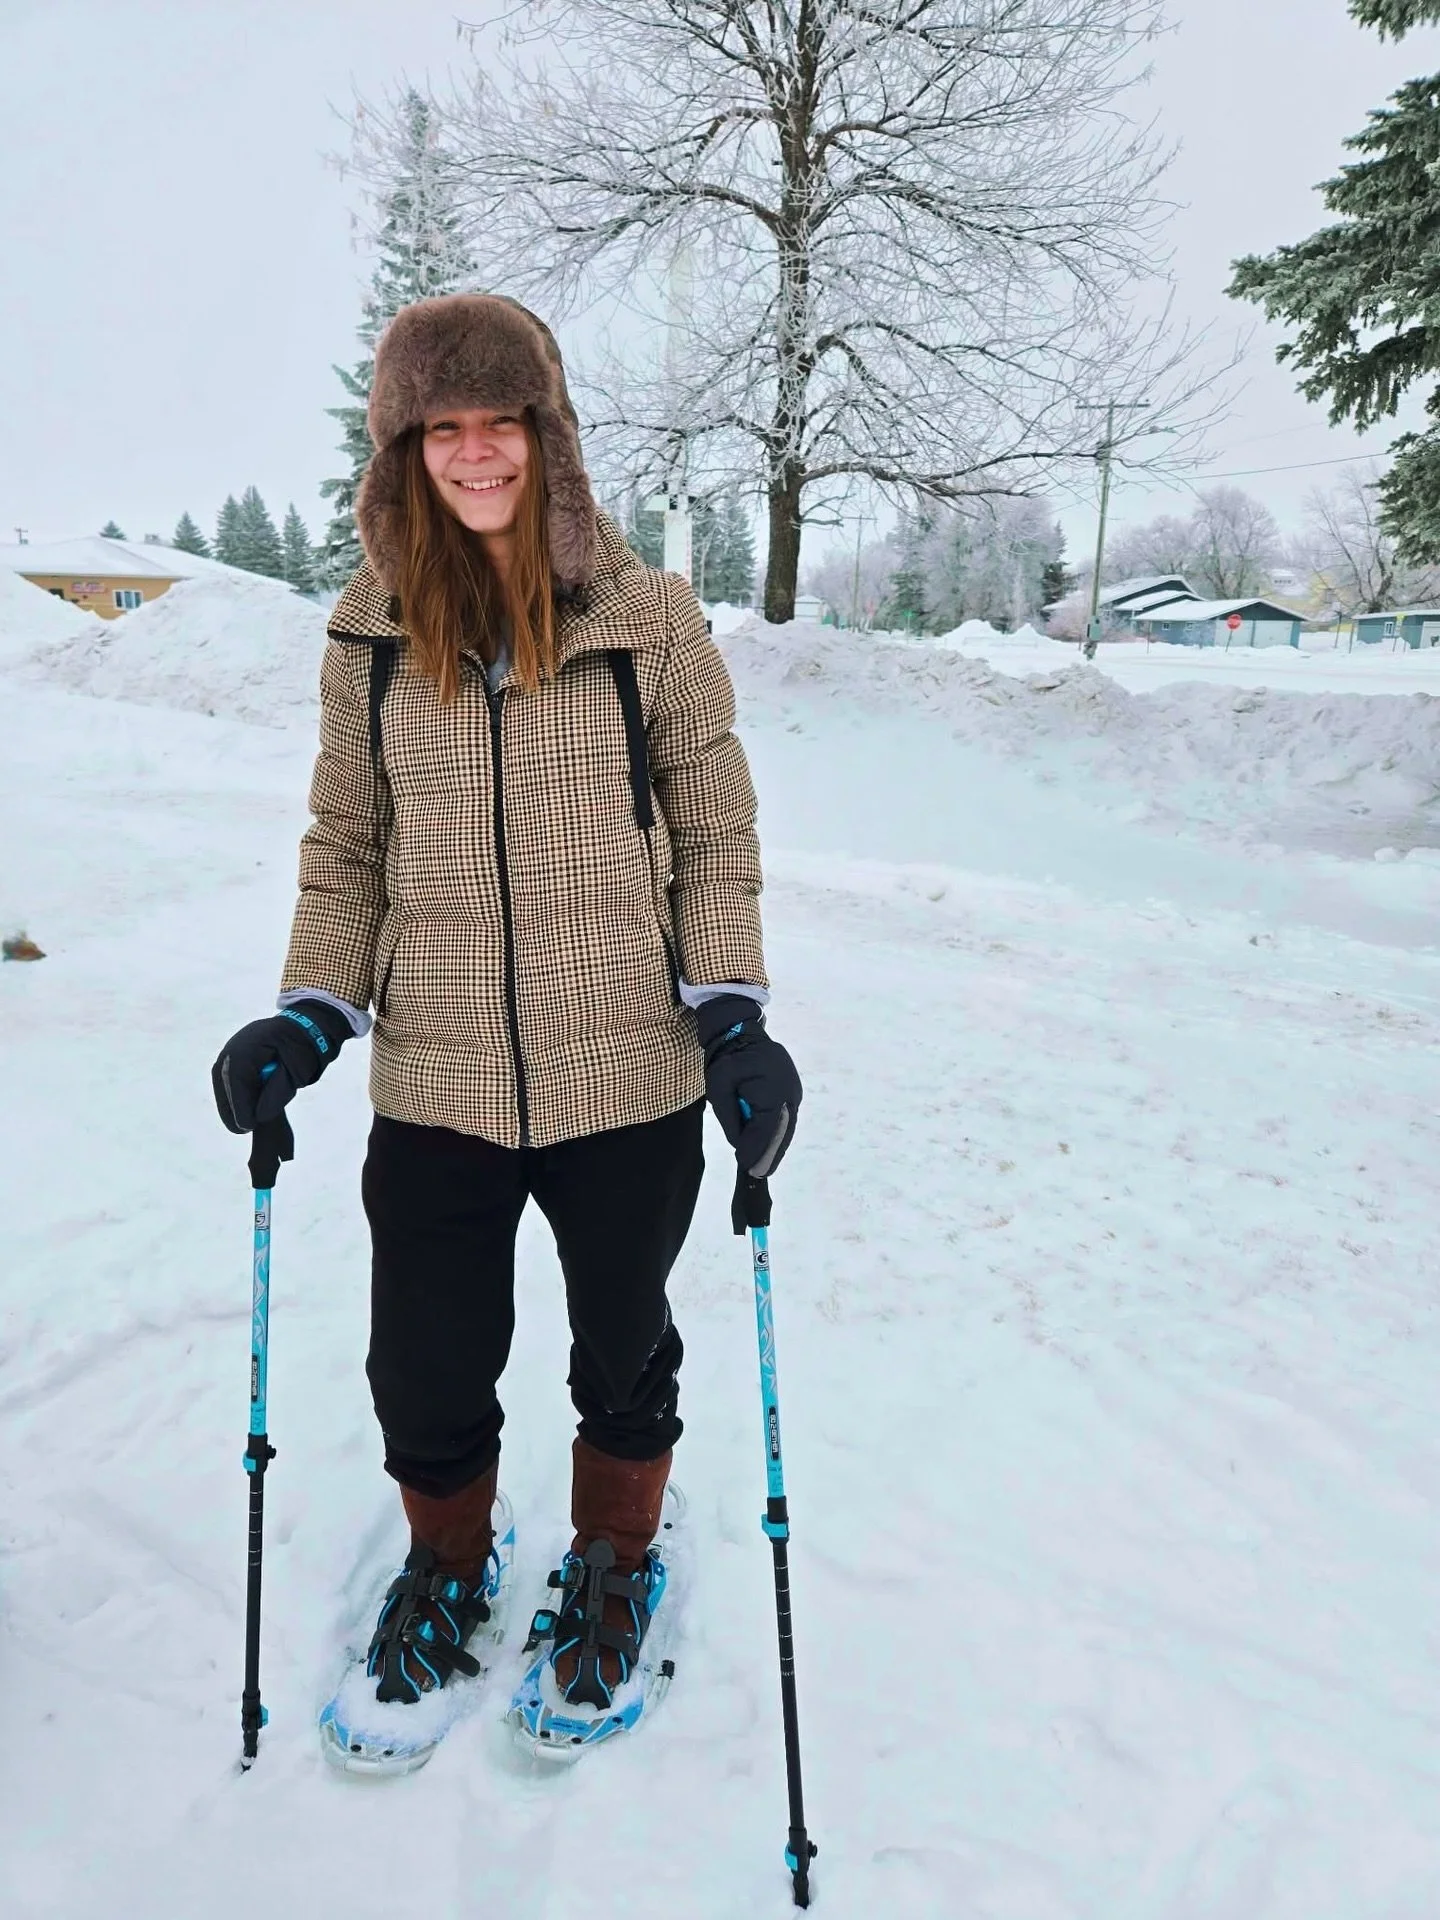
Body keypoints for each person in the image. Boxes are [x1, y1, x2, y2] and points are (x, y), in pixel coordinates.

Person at [211, 293, 800, 1723]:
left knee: (622, 1346)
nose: (476, 455)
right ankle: (448, 1559)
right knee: (423, 1362)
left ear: (549, 436)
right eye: (442, 429)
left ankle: (612, 1559)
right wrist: (308, 1011)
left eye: (502, 424)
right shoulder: (367, 633)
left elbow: (714, 830)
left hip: (628, 1080)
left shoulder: (644, 617)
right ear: (405, 453)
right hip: (439, 1081)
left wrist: (731, 1015)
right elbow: (347, 844)